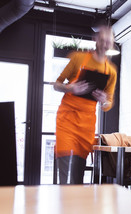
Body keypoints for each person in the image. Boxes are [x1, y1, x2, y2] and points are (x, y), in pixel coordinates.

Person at [54, 25, 117, 184]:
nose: (105, 44)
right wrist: (71, 88)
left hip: (86, 122)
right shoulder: (78, 58)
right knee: (64, 160)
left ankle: (77, 201)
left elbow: (108, 103)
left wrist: (104, 100)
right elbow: (57, 84)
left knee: (78, 168)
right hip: (67, 118)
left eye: (108, 41)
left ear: (112, 42)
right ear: (95, 40)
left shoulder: (111, 71)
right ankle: (61, 196)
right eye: (102, 40)